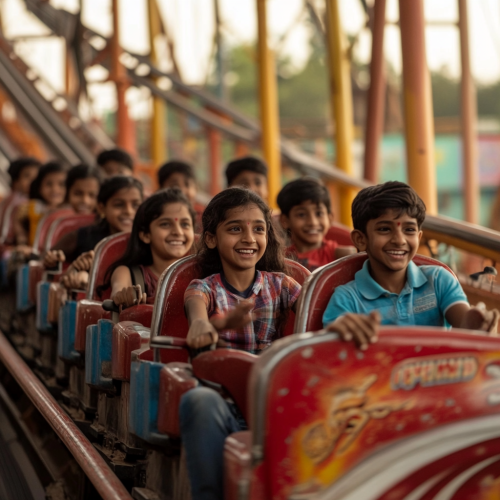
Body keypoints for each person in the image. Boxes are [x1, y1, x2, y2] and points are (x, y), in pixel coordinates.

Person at [180, 187, 302, 500]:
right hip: (224, 400)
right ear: (211, 239)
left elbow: (316, 314)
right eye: (236, 229)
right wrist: (208, 326)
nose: (249, 238)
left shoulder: (282, 285)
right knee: (199, 402)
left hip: (271, 397)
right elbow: (197, 317)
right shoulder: (203, 288)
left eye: (258, 229)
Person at [322, 181, 499, 350]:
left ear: (419, 237)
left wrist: (478, 325)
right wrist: (343, 329)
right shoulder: (346, 298)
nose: (399, 240)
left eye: (409, 230)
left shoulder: (439, 280)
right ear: (361, 239)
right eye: (384, 229)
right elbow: (333, 343)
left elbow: (465, 322)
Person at [106, 188, 196, 308]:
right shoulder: (128, 273)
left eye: (185, 224)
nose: (178, 232)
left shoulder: (203, 275)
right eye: (165, 224)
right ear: (145, 235)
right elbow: (118, 293)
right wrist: (125, 296)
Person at [43, 176, 143, 271]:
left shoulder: (147, 241)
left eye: (135, 205)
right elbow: (47, 260)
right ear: (101, 208)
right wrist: (55, 261)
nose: (129, 211)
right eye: (119, 205)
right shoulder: (83, 236)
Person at [277, 177, 356, 271]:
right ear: (284, 221)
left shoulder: (343, 256)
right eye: (301, 215)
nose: (312, 222)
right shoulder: (279, 259)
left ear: (330, 218)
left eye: (319, 213)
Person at [14, 161, 67, 247]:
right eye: (49, 184)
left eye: (61, 184)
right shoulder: (31, 207)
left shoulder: (70, 211)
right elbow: (18, 221)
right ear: (39, 187)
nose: (55, 189)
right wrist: (22, 241)